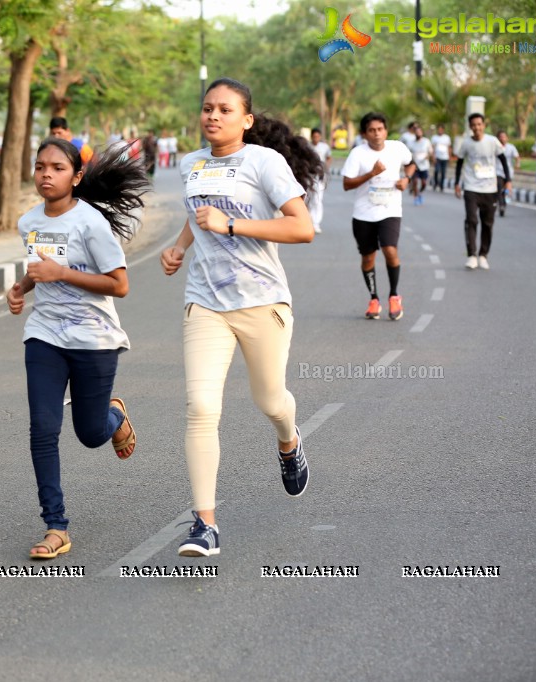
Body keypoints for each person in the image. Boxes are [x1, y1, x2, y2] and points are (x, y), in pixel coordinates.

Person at [160, 77, 318, 557]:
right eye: (207, 108)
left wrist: (231, 224)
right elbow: (197, 212)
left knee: (271, 401)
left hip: (262, 302)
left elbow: (301, 227)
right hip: (205, 302)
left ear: (246, 119)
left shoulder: (263, 162)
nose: (212, 116)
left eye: (225, 110)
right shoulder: (191, 164)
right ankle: (204, 525)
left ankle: (289, 441)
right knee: (201, 407)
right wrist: (179, 246)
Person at [7, 138, 149, 560]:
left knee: (89, 434)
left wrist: (62, 273)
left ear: (76, 176)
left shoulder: (90, 224)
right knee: (42, 430)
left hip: (93, 339)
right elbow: (39, 266)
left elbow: (119, 285)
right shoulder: (28, 221)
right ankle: (56, 526)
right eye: (39, 167)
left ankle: (114, 415)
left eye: (56, 168)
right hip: (45, 335)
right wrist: (23, 286)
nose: (46, 174)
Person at [342, 112, 416, 321]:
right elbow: (347, 184)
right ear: (365, 134)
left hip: (390, 210)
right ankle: (374, 299)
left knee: (390, 250)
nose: (377, 134)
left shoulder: (397, 148)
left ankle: (394, 295)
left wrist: (407, 179)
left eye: (380, 129)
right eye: (372, 130)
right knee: (368, 258)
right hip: (364, 213)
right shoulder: (358, 154)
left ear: (386, 130)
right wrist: (371, 174)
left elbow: (412, 163)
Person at [455, 113, 511, 270]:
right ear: (470, 127)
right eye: (473, 125)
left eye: (479, 124)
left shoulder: (492, 141)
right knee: (471, 220)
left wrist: (508, 181)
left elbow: (503, 160)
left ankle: (483, 255)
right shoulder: (466, 144)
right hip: (471, 187)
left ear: (484, 125)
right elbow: (459, 163)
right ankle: (472, 255)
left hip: (490, 189)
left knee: (488, 223)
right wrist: (456, 183)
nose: (476, 127)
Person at [308, 128, 332, 233]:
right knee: (308, 199)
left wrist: (326, 167)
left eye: (318, 136)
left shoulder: (325, 147)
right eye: (314, 136)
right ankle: (308, 220)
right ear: (311, 136)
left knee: (318, 199)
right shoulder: (307, 146)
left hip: (320, 174)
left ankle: (316, 223)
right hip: (308, 175)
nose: (316, 138)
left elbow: (329, 157)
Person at [495, 130, 519, 217]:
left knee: (505, 191)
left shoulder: (511, 147)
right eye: (500, 137)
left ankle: (503, 205)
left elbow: (517, 157)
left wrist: (517, 164)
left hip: (508, 172)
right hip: (497, 172)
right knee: (499, 188)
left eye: (504, 137)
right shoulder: (495, 147)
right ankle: (501, 205)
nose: (502, 138)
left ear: (507, 138)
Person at [408, 125, 433, 206]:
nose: (418, 133)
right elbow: (408, 154)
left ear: (422, 133)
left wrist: (428, 156)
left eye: (420, 132)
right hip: (415, 165)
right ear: (414, 133)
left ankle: (419, 193)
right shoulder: (411, 143)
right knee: (415, 182)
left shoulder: (426, 141)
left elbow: (430, 152)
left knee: (424, 183)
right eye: (417, 132)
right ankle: (416, 197)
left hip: (424, 166)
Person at [430, 124, 452, 191]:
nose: (440, 131)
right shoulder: (434, 138)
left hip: (445, 157)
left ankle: (441, 185)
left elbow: (449, 147)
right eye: (439, 129)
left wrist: (450, 156)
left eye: (441, 129)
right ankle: (436, 183)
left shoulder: (447, 138)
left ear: (443, 130)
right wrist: (433, 157)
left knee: (443, 172)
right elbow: (432, 148)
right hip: (437, 157)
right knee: (436, 170)